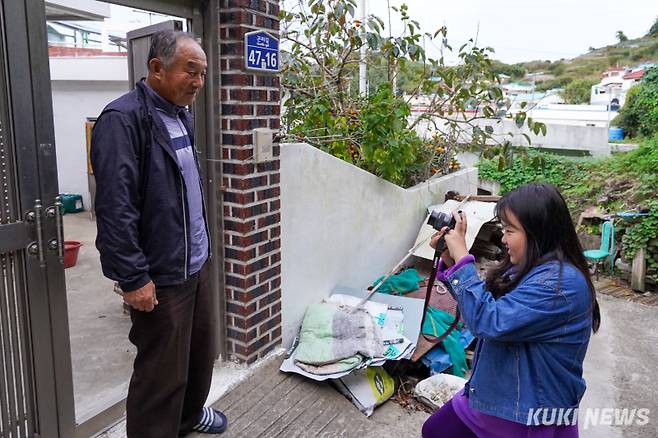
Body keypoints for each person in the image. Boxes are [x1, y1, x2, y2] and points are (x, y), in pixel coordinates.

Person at [91, 30, 227, 437]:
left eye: (203, 74)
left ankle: (186, 419)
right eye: (191, 72)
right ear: (156, 68)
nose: (199, 83)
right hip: (160, 274)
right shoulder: (122, 120)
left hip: (195, 264)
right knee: (159, 373)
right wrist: (133, 277)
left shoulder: (180, 114)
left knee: (199, 356)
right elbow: (115, 208)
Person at [422, 183, 601, 438]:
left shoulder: (561, 284)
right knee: (435, 430)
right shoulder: (530, 268)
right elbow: (485, 307)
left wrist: (463, 259)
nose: (503, 239)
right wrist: (452, 262)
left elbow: (488, 321)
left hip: (525, 414)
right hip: (495, 396)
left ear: (540, 232)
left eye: (509, 231)